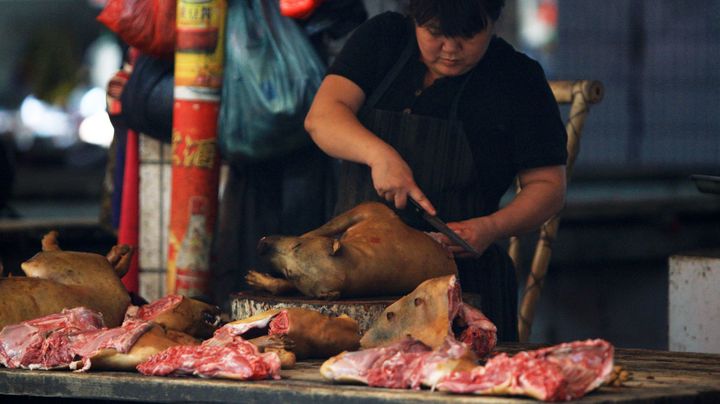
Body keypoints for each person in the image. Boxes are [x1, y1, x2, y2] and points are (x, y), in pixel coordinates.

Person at [304, 0, 568, 341]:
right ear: (416, 17)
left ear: (492, 21)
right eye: (436, 34)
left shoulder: (518, 79)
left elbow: (548, 186)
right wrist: (379, 155)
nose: (451, 49)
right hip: (350, 276)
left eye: (468, 36)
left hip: (463, 286)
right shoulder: (383, 39)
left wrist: (489, 228)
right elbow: (322, 117)